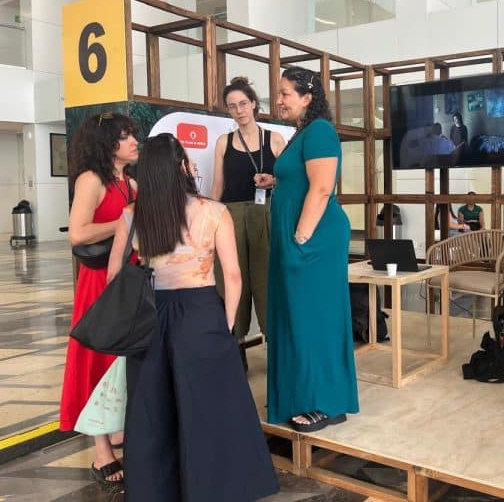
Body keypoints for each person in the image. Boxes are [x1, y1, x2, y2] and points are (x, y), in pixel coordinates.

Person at [108, 134, 279, 502]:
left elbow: (113, 278)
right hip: (201, 312)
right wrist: (227, 324)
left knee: (152, 409)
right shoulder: (214, 212)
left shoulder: (132, 214)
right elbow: (233, 276)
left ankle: (155, 490)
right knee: (210, 407)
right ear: (181, 166)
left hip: (150, 316)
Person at [267, 66, 359, 431]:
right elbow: (301, 181)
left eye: (285, 93)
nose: (278, 100)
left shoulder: (319, 130)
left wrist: (300, 239)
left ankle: (325, 402)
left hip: (313, 241)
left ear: (307, 97)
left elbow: (321, 189)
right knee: (297, 317)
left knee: (314, 319)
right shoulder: (302, 132)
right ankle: (298, 393)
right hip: (298, 238)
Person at [60, 112, 139, 489]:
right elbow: (77, 233)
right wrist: (124, 221)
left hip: (128, 279)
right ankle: (102, 450)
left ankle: (120, 428)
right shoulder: (92, 180)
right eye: (126, 137)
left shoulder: (129, 182)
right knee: (97, 360)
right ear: (108, 143)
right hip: (98, 284)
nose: (134, 142)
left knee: (123, 361)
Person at [211, 76, 286, 369]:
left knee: (268, 282)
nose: (239, 110)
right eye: (232, 106)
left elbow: (291, 181)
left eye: (243, 103)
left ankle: (276, 351)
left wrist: (273, 181)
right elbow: (218, 187)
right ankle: (237, 350)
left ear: (254, 104)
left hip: (265, 215)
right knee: (232, 282)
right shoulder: (224, 142)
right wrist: (209, 224)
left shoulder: (274, 139)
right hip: (230, 217)